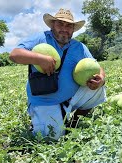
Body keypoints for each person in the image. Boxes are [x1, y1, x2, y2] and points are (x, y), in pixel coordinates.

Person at [9, 8, 106, 140]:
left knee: (98, 89)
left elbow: (97, 67)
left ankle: (73, 122)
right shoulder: (40, 38)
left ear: (73, 29)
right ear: (53, 25)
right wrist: (40, 59)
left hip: (71, 98)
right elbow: (14, 55)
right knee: (51, 138)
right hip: (45, 101)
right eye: (60, 24)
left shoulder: (79, 47)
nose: (64, 29)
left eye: (69, 25)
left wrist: (101, 79)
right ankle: (40, 120)